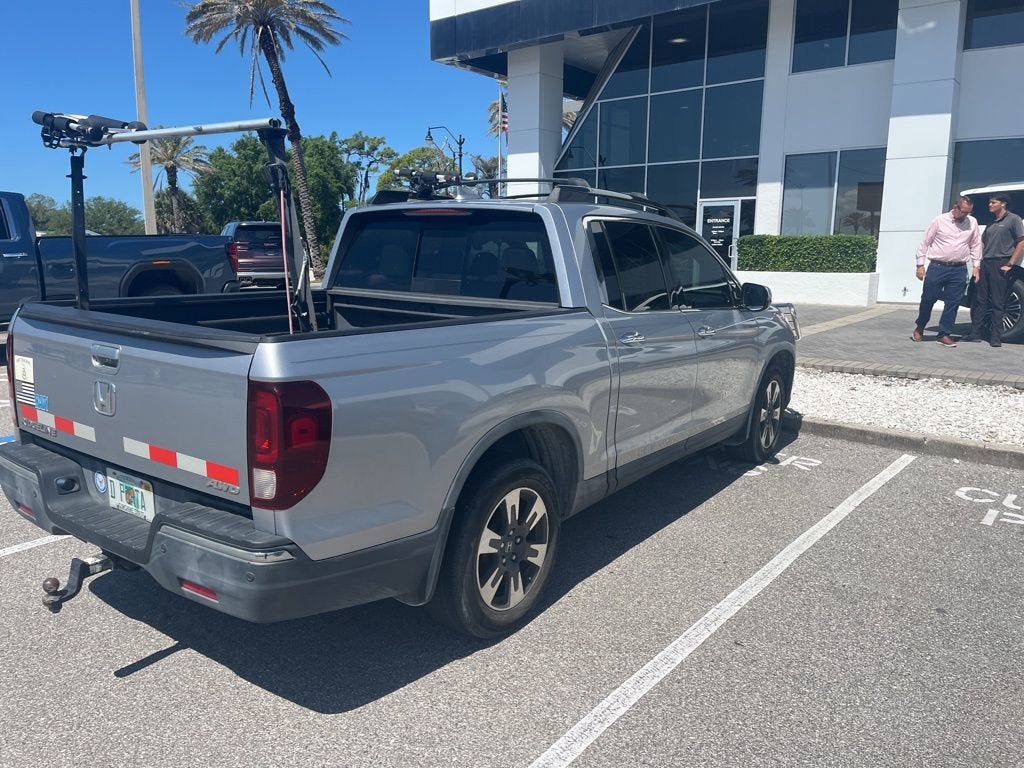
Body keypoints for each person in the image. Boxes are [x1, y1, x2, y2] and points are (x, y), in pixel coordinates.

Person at [911, 196, 981, 348]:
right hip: (937, 267)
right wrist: (920, 265)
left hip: (959, 269)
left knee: (953, 302)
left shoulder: (972, 222)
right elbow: (925, 243)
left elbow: (975, 244)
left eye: (968, 212)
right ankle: (920, 326)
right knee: (928, 298)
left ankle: (944, 334)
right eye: (963, 212)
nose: (965, 216)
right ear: (955, 208)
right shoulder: (939, 220)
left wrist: (976, 266)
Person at [961, 194, 1024, 347]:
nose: (989, 204)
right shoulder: (991, 223)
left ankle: (996, 337)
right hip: (986, 263)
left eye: (993, 202)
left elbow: (1021, 241)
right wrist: (978, 264)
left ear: (1003, 204)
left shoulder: (1013, 219)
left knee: (998, 301)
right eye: (989, 201)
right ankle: (975, 332)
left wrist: (1010, 263)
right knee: (981, 300)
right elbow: (982, 243)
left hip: (1001, 262)